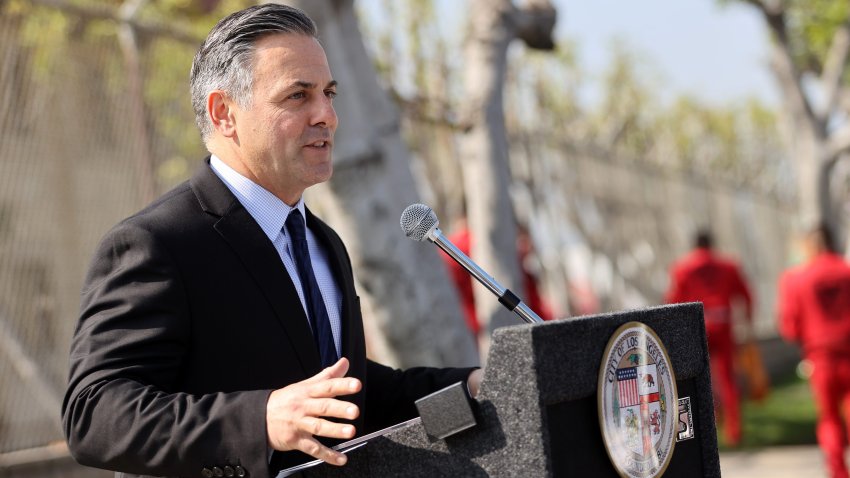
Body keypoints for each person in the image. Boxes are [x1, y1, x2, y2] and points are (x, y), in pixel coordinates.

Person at [61, 5, 482, 478]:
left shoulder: (323, 243)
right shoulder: (156, 243)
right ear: (225, 113)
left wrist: (476, 384)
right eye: (298, 96)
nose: (326, 115)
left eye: (328, 93)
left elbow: (346, 392)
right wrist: (261, 420)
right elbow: (94, 414)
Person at [665, 229, 753, 447]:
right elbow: (746, 295)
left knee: (702, 378)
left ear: (695, 245)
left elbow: (673, 301)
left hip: (697, 326)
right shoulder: (728, 266)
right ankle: (734, 431)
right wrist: (747, 323)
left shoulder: (682, 268)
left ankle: (709, 425)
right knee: (727, 378)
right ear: (712, 244)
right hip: (723, 325)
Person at [778, 223, 850, 478]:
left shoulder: (796, 278)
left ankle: (839, 471)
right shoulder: (846, 270)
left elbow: (789, 328)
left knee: (829, 418)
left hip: (821, 358)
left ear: (811, 245)